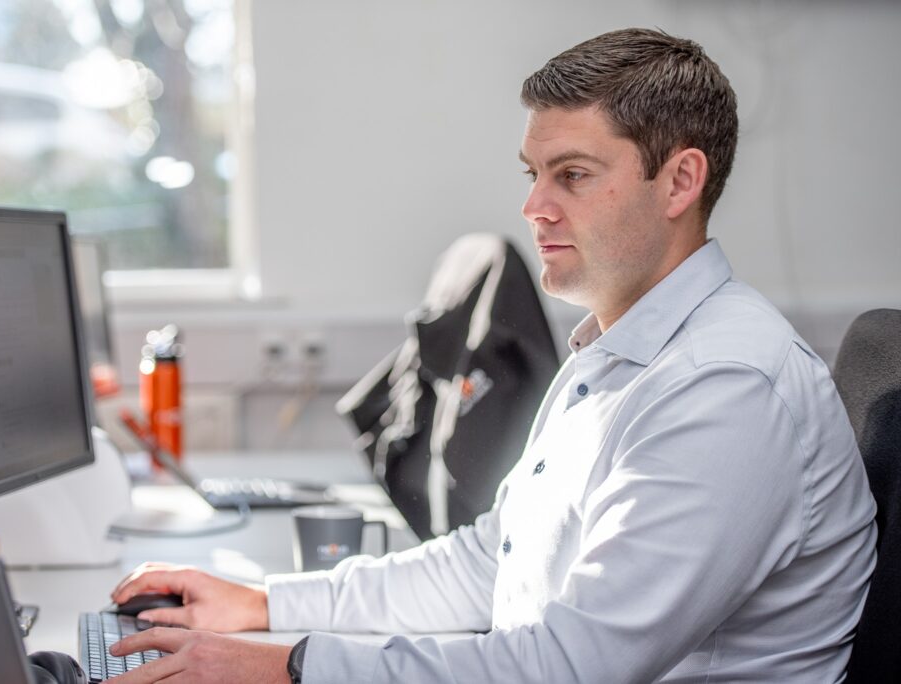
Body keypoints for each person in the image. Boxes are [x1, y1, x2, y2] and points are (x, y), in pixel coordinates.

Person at [107, 28, 877, 683]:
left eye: (572, 175)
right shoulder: (616, 352)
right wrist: (264, 605)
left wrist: (282, 664)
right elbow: (489, 564)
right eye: (533, 174)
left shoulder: (726, 387)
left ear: (680, 181)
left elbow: (571, 667)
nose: (534, 207)